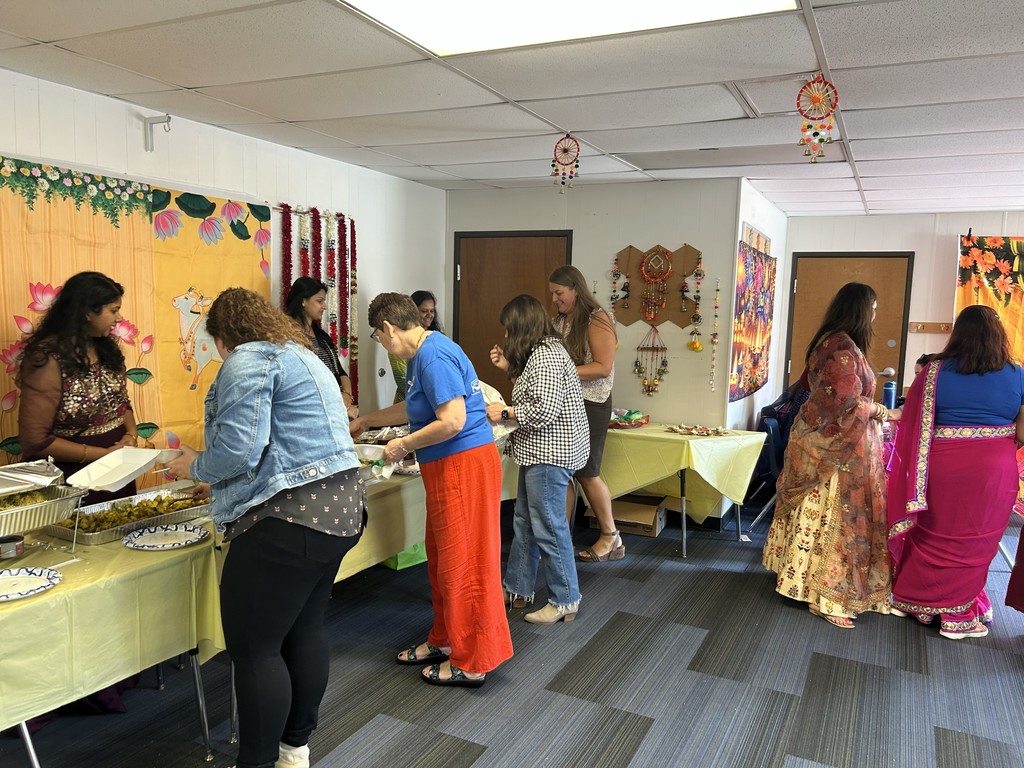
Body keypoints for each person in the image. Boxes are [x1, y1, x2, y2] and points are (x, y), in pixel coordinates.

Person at [165, 288, 364, 768]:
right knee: (304, 631)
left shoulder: (249, 359)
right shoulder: (303, 355)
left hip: (288, 519)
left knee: (255, 650)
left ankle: (255, 762)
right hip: (340, 508)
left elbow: (238, 449)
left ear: (224, 336)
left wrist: (195, 465)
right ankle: (294, 749)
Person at [350, 292, 512, 687]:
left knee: (465, 561)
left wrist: (402, 445)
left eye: (378, 336)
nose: (383, 343)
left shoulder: (433, 355)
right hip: (451, 468)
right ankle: (445, 639)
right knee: (442, 559)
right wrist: (367, 421)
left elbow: (453, 420)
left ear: (388, 328)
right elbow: (414, 408)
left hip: (463, 466)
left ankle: (473, 659)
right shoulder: (427, 351)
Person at [762, 282, 897, 628]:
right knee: (835, 519)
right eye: (874, 308)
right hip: (834, 451)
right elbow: (844, 405)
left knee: (822, 515)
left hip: (829, 442)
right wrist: (882, 411)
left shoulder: (834, 341)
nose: (876, 314)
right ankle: (825, 595)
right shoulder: (842, 349)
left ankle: (799, 580)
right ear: (861, 310)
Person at [888, 305, 1024, 639]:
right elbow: (1022, 434)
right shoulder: (1018, 374)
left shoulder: (933, 372)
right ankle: (956, 617)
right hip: (993, 471)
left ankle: (914, 602)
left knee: (933, 532)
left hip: (941, 466)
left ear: (958, 333)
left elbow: (912, 423)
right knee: (975, 541)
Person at [487, 294, 588, 624]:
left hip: (550, 453)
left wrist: (503, 412)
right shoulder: (541, 354)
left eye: (508, 330)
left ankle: (565, 598)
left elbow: (542, 411)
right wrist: (508, 369)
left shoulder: (545, 356)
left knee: (547, 527)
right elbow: (534, 395)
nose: (505, 336)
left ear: (520, 328)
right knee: (525, 523)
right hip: (541, 451)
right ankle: (517, 588)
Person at [17, 271, 140, 504]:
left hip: (116, 473)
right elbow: (35, 439)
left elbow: (122, 402)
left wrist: (131, 436)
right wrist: (102, 455)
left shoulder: (106, 348)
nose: (119, 318)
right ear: (87, 312)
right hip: (73, 480)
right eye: (113, 310)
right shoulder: (47, 358)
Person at [547, 266, 621, 562]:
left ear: (576, 289)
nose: (554, 299)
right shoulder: (560, 320)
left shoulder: (597, 318)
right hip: (567, 403)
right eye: (552, 293)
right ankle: (560, 540)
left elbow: (602, 366)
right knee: (564, 473)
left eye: (559, 293)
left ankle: (610, 536)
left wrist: (561, 373)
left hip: (592, 403)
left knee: (587, 473)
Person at [285, 276, 358, 420]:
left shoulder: (322, 337)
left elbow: (340, 372)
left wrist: (346, 396)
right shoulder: (287, 336)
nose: (324, 306)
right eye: (319, 301)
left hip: (335, 409)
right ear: (303, 301)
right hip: (310, 412)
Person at [389, 289, 442, 403]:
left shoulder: (438, 337)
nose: (429, 315)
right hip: (406, 406)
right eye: (424, 311)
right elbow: (405, 384)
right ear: (412, 312)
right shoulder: (399, 343)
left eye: (432, 311)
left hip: (437, 402)